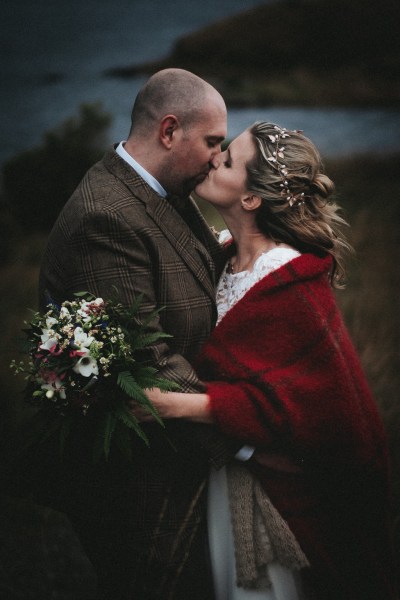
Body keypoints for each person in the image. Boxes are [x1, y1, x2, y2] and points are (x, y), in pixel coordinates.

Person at [137, 122, 398, 599]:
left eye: (228, 159)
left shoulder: (287, 279)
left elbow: (312, 410)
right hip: (223, 473)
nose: (213, 158)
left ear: (252, 199)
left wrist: (180, 405)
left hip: (279, 494)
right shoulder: (221, 256)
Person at [36, 68, 237, 600]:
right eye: (213, 142)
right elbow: (151, 363)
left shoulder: (160, 187)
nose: (219, 158)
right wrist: (256, 424)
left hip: (176, 461)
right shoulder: (105, 217)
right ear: (169, 131)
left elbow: (184, 278)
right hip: (139, 484)